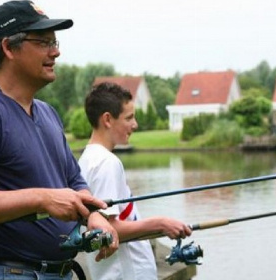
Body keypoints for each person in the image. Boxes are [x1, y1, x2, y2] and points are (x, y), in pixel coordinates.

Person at [0, 1, 118, 280]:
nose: (56, 51)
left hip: (61, 273)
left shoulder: (48, 113)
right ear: (9, 48)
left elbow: (74, 182)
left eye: (55, 42)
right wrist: (41, 198)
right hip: (8, 273)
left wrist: (94, 216)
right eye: (44, 42)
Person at [78, 82, 193, 280]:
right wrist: (161, 224)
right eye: (129, 117)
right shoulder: (107, 163)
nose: (135, 124)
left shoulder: (86, 160)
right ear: (107, 119)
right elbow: (108, 231)